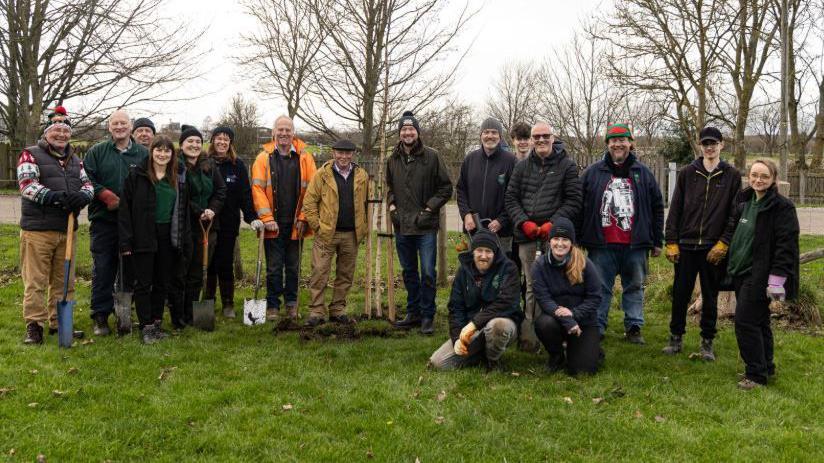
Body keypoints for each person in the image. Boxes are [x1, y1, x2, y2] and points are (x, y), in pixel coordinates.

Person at [579, 123, 664, 344]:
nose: (618, 144)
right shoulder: (593, 173)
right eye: (613, 140)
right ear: (607, 144)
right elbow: (579, 204)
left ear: (630, 143)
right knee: (599, 288)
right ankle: (597, 326)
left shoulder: (643, 173)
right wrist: (578, 236)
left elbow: (657, 207)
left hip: (635, 244)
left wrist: (657, 240)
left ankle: (634, 326)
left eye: (622, 140)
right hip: (601, 244)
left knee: (634, 286)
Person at [662, 126, 741, 359]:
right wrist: (671, 241)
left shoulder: (731, 176)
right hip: (686, 245)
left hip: (712, 247)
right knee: (680, 293)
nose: (709, 147)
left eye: (713, 143)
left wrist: (724, 243)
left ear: (721, 145)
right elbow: (675, 209)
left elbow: (734, 214)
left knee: (710, 295)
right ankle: (675, 338)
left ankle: (707, 342)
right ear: (700, 145)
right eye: (705, 143)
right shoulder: (688, 173)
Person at [504, 122, 581, 352]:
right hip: (527, 237)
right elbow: (511, 198)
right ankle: (530, 336)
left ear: (553, 137)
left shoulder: (567, 166)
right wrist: (523, 222)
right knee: (530, 286)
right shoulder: (522, 167)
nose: (540, 140)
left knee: (558, 284)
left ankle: (558, 334)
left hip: (555, 239)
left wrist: (553, 224)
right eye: (536, 136)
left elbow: (574, 200)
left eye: (545, 136)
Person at [724, 160, 799, 390]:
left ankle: (755, 375)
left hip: (759, 275)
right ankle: (766, 365)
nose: (758, 180)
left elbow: (786, 248)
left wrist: (776, 281)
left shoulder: (782, 207)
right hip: (739, 271)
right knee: (760, 321)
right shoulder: (744, 200)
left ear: (774, 178)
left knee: (745, 322)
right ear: (749, 176)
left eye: (764, 176)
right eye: (754, 175)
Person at [18, 117, 93, 344]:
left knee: (65, 281)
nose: (61, 134)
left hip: (67, 230)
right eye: (56, 130)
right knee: (36, 280)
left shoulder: (75, 160)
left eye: (65, 130)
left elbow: (88, 185)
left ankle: (59, 322)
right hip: (38, 230)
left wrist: (82, 196)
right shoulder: (30, 154)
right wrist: (56, 198)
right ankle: (34, 325)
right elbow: (28, 186)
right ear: (46, 133)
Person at [386, 110, 453, 335]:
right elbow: (388, 187)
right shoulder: (392, 159)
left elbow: (446, 187)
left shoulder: (432, 157)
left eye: (411, 129)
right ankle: (413, 312)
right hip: (402, 225)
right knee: (409, 272)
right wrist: (392, 206)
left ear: (417, 132)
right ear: (399, 133)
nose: (407, 133)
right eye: (404, 129)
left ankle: (427, 315)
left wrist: (429, 208)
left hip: (425, 226)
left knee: (427, 272)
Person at [84, 110, 148, 335]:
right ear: (109, 128)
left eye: (124, 123)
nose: (119, 127)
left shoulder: (143, 154)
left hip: (132, 224)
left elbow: (151, 184)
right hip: (104, 221)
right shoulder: (97, 152)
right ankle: (100, 315)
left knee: (130, 270)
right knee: (103, 268)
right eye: (115, 124)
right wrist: (104, 195)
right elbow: (86, 179)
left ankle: (125, 313)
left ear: (131, 127)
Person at [119, 135, 189, 343]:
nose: (162, 154)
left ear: (172, 154)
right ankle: (146, 326)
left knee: (162, 282)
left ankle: (157, 322)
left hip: (168, 236)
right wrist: (126, 241)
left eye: (167, 151)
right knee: (143, 283)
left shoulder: (177, 178)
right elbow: (125, 210)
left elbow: (182, 210)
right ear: (151, 151)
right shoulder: (137, 176)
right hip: (143, 235)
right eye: (158, 150)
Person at [251, 115, 316, 322]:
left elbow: (312, 191)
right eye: (280, 129)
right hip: (274, 224)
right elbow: (257, 190)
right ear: (274, 132)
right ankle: (272, 305)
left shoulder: (305, 158)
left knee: (293, 266)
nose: (284, 133)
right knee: (273, 267)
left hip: (296, 223)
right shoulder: (263, 158)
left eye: (288, 130)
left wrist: (304, 217)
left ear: (293, 133)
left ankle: (291, 303)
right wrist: (267, 218)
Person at [429, 229, 523, 371]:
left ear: (495, 253)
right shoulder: (463, 271)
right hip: (472, 329)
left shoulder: (508, 268)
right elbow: (456, 307)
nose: (483, 256)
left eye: (488, 251)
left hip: (503, 323)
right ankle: (480, 353)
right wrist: (456, 339)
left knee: (497, 326)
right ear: (473, 251)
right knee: (438, 363)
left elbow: (506, 303)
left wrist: (474, 324)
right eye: (479, 250)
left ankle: (493, 361)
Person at [301, 139, 368, 326]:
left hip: (351, 235)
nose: (344, 156)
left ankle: (338, 309)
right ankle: (316, 311)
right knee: (319, 272)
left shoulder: (362, 176)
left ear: (353, 154)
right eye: (340, 153)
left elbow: (366, 204)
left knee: (345, 274)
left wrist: (363, 226)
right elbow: (309, 202)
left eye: (348, 153)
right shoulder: (322, 175)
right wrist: (317, 227)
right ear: (333, 153)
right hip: (326, 234)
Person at [532, 217, 603, 375]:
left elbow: (595, 297)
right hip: (555, 320)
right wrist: (567, 320)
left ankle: (590, 349)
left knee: (582, 371)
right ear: (550, 241)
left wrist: (574, 314)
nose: (560, 243)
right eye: (556, 238)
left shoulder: (585, 263)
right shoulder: (539, 266)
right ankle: (556, 355)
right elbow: (544, 299)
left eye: (565, 239)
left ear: (571, 242)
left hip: (584, 322)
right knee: (543, 324)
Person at [206, 126, 263, 318]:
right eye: (219, 138)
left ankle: (228, 303)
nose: (222, 142)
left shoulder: (236, 165)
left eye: (226, 139)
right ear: (212, 140)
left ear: (230, 143)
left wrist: (252, 217)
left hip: (229, 223)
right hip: (207, 223)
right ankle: (208, 300)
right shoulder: (204, 163)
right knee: (209, 263)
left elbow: (245, 195)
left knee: (224, 262)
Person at [173, 125, 226, 328]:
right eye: (190, 141)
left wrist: (212, 209)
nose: (194, 145)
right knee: (181, 272)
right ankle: (179, 314)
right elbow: (180, 195)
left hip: (209, 226)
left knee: (198, 272)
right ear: (182, 145)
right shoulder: (176, 166)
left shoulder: (209, 165)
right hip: (185, 225)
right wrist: (198, 211)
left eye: (197, 141)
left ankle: (192, 314)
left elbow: (221, 190)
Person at [456, 117, 517, 253]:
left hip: (501, 232)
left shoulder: (511, 161)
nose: (490, 136)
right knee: (476, 269)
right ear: (481, 135)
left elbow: (516, 196)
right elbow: (461, 191)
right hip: (474, 230)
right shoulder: (470, 160)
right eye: (486, 132)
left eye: (494, 133)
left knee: (501, 271)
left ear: (500, 136)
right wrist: (466, 215)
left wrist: (502, 220)